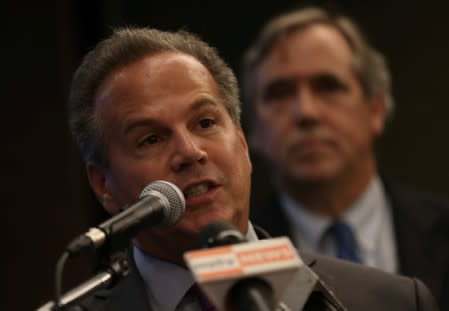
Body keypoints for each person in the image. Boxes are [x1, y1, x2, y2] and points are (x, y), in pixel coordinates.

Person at [65, 26, 438, 310]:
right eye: (151, 139)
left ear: (242, 142)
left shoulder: (389, 301)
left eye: (205, 123)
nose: (190, 152)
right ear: (103, 186)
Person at [241, 6, 449, 310]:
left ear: (376, 108)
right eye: (280, 93)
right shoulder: (240, 259)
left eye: (328, 86)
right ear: (252, 130)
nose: (306, 112)